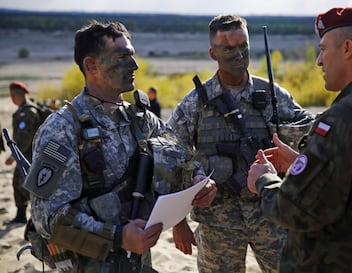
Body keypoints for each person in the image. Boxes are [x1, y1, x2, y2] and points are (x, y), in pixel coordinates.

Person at [24, 21, 216, 273]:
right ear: (91, 65)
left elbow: (180, 152)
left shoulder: (139, 118)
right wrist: (117, 236)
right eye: (122, 57)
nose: (134, 65)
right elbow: (47, 219)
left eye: (132, 56)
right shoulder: (62, 128)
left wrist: (197, 179)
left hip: (136, 262)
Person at [247, 7, 352, 273]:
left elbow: (295, 209)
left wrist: (263, 180)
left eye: (323, 49)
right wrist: (303, 163)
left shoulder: (344, 117)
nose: (319, 61)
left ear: (347, 48)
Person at [168, 14, 313, 273]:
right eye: (229, 48)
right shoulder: (196, 103)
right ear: (213, 53)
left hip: (270, 214)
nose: (239, 54)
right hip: (218, 222)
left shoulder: (272, 94)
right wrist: (179, 221)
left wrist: (287, 137)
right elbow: (169, 155)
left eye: (243, 46)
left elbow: (310, 136)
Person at [4, 81, 43, 224]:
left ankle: (22, 216)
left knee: (20, 184)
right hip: (35, 156)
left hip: (27, 157)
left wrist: (13, 156)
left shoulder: (24, 113)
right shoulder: (34, 108)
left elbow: (23, 138)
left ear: (14, 96)